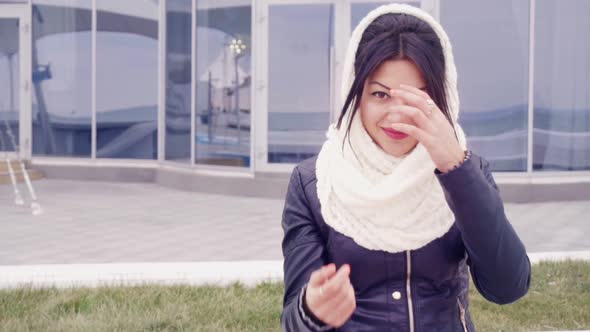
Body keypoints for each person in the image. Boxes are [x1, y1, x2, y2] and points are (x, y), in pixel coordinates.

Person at [280, 4, 531, 331]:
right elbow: (292, 322)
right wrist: (311, 310)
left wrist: (455, 170)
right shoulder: (315, 184)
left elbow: (507, 287)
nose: (397, 115)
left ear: (442, 97)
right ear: (356, 95)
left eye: (415, 97)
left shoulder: (466, 170)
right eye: (380, 94)